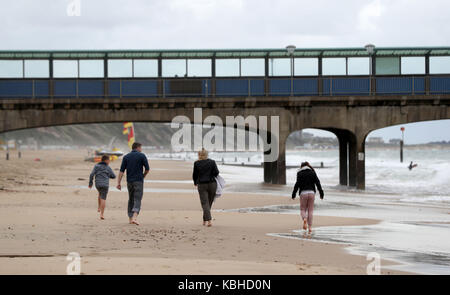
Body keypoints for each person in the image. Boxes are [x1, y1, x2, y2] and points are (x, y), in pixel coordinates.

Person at [116, 142, 150, 225]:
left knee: (131, 199)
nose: (141, 149)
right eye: (141, 148)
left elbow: (121, 171)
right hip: (138, 181)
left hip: (129, 181)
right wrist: (143, 176)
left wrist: (118, 183)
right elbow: (147, 169)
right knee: (137, 199)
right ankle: (134, 217)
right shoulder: (142, 155)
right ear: (138, 147)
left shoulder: (126, 157)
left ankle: (130, 218)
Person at [291, 161, 324, 235]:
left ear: (301, 167)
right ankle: (310, 228)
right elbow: (318, 183)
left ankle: (305, 219)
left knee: (303, 209)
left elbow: (297, 184)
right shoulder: (312, 172)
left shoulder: (299, 173)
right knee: (310, 210)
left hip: (303, 193)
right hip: (312, 193)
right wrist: (321, 194)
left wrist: (294, 194)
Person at [192, 148, 219, 227]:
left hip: (201, 185)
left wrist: (195, 182)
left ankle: (207, 220)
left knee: (205, 203)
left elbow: (195, 175)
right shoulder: (212, 162)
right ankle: (207, 220)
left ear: (199, 155)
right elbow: (216, 172)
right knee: (209, 203)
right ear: (206, 154)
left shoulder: (196, 163)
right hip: (212, 184)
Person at [88, 155, 116, 220]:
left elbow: (92, 174)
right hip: (105, 184)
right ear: (106, 160)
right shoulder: (108, 167)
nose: (109, 161)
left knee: (100, 194)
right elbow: (113, 176)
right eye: (109, 160)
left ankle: (99, 207)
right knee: (103, 198)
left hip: (97, 184)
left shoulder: (96, 166)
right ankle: (102, 214)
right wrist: (107, 175)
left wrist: (90, 183)